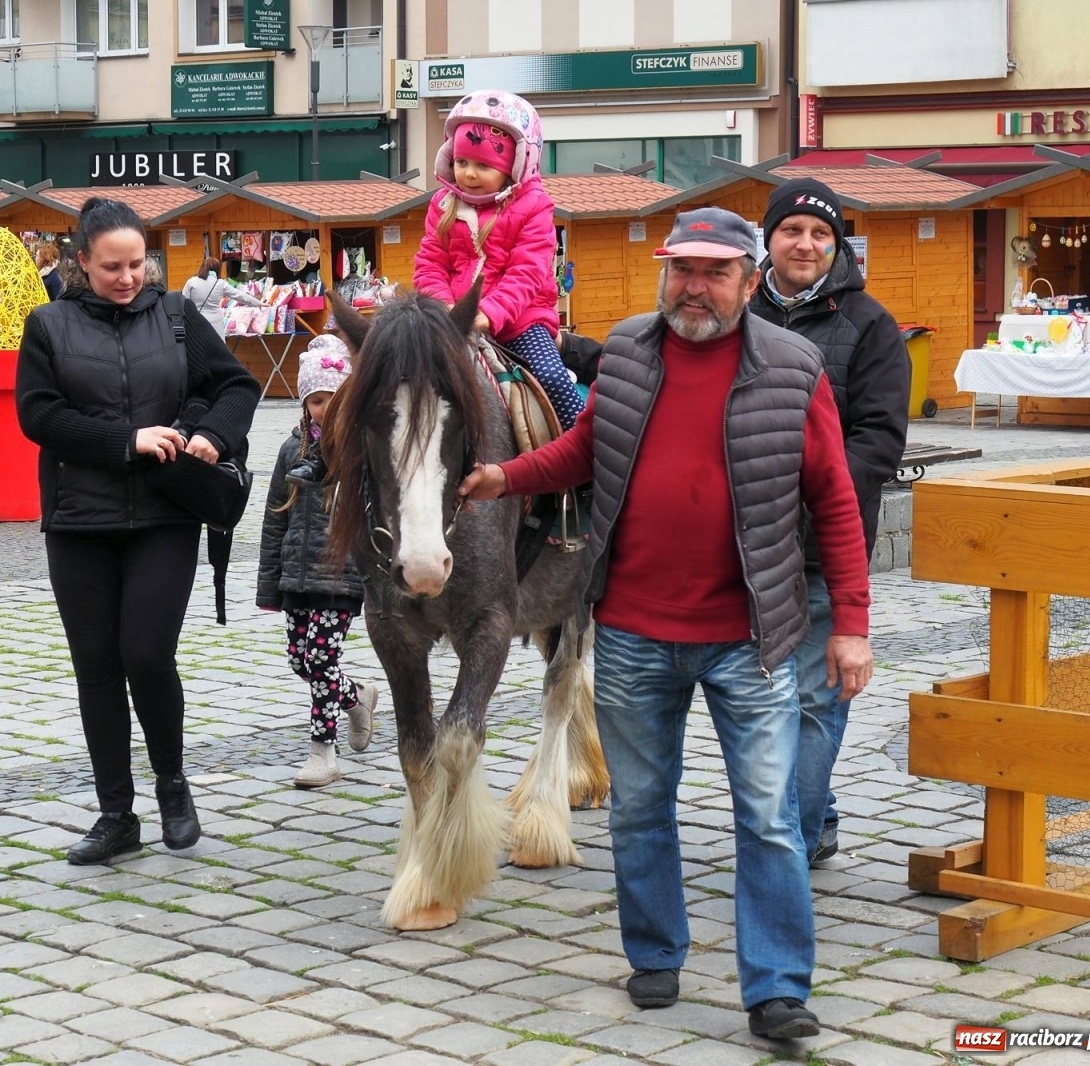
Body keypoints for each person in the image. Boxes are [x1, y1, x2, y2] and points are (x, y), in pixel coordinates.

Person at [459, 207, 873, 1040]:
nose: (695, 286)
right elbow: (586, 448)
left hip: (751, 639)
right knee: (641, 808)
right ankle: (655, 953)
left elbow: (833, 499)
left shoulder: (795, 367)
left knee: (767, 816)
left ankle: (777, 988)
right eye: (683, 268)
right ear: (665, 273)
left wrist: (852, 623)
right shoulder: (628, 351)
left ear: (749, 283)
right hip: (633, 633)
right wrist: (506, 475)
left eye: (716, 272)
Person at [16, 197, 259, 865]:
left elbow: (239, 385)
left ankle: (173, 785)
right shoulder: (47, 325)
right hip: (79, 520)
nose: (128, 279)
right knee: (96, 668)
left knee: (146, 654)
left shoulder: (179, 317)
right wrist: (126, 440)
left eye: (138, 265)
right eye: (112, 267)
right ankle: (115, 814)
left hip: (164, 513)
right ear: (82, 263)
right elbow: (38, 416)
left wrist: (211, 434)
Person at [748, 177, 910, 867]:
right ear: (770, 239)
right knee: (763, 704)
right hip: (743, 553)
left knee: (814, 701)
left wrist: (805, 488)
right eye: (793, 230)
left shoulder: (869, 326)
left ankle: (792, 840)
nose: (806, 244)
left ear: (837, 245)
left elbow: (879, 439)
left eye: (820, 234)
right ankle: (815, 811)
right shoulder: (736, 311)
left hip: (819, 551)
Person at [412, 90, 581, 429]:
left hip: (521, 321)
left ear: (516, 165)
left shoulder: (534, 206)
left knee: (553, 379)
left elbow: (528, 273)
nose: (469, 175)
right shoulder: (443, 205)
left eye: (483, 165)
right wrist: (444, 307)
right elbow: (430, 262)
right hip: (452, 321)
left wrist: (488, 315)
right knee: (390, 373)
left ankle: (585, 461)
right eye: (462, 162)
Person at [256, 336, 378, 788]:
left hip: (341, 574)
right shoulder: (292, 451)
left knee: (322, 659)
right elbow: (275, 519)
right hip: (296, 576)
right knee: (300, 661)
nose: (324, 409)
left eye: (332, 398)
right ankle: (357, 697)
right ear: (305, 404)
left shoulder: (361, 451)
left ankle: (322, 752)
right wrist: (269, 584)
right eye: (316, 401)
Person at [182, 256, 261, 338]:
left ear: (202, 267)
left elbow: (183, 302)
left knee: (198, 348)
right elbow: (240, 296)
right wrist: (259, 303)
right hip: (215, 323)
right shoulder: (220, 283)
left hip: (196, 322)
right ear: (217, 269)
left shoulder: (191, 282)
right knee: (217, 348)